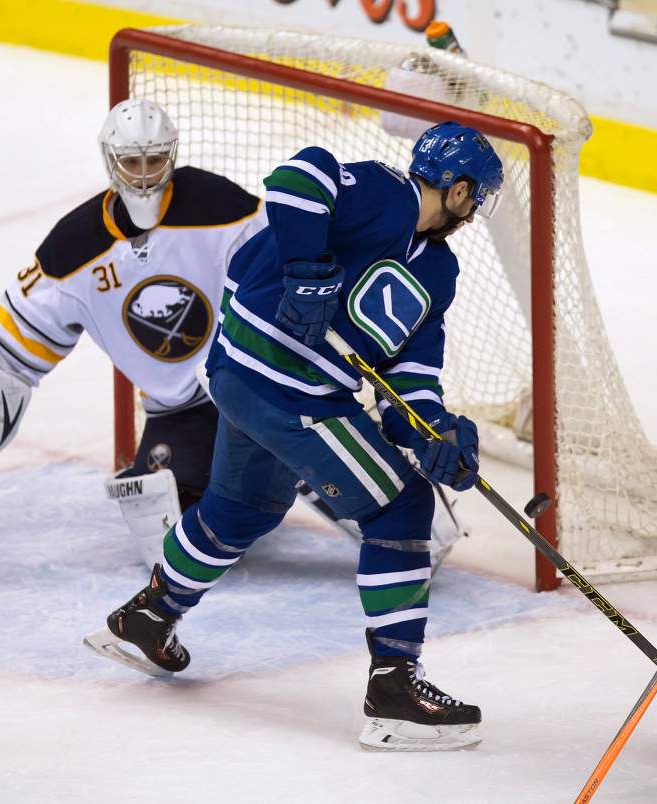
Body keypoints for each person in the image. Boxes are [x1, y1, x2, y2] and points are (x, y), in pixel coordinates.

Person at [85, 121, 504, 753]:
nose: (475, 213)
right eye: (477, 197)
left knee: (244, 507)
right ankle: (395, 690)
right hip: (285, 384)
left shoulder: (438, 272)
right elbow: (297, 178)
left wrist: (434, 430)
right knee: (401, 505)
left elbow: (410, 371)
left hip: (252, 383)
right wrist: (307, 268)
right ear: (458, 187)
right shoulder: (384, 194)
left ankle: (148, 616)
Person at [0, 99, 263, 567]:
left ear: (172, 156)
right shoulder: (74, 247)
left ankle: (284, 458)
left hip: (252, 384)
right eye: (132, 161)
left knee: (322, 473)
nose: (144, 174)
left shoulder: (219, 206)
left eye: (155, 160)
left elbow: (276, 273)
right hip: (181, 410)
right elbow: (20, 333)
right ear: (110, 160)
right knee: (167, 539)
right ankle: (253, 475)